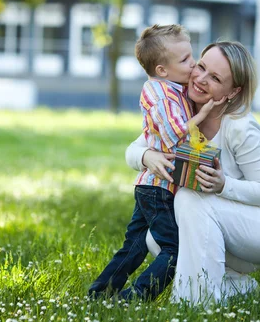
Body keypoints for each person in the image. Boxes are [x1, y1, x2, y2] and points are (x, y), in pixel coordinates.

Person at [125, 41, 260, 305]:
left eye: (215, 78)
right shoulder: (182, 110)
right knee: (157, 237)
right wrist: (148, 156)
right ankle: (235, 287)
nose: (201, 79)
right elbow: (134, 150)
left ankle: (195, 303)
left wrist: (223, 184)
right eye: (201, 67)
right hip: (225, 223)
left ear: (233, 91)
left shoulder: (240, 128)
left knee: (188, 197)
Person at [89, 24, 222, 301]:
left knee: (135, 245)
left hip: (155, 186)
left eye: (191, 55)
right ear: (162, 70)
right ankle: (136, 297)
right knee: (173, 248)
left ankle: (100, 293)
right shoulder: (159, 93)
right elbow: (174, 132)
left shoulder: (174, 88)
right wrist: (204, 113)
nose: (193, 63)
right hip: (157, 189)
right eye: (185, 60)